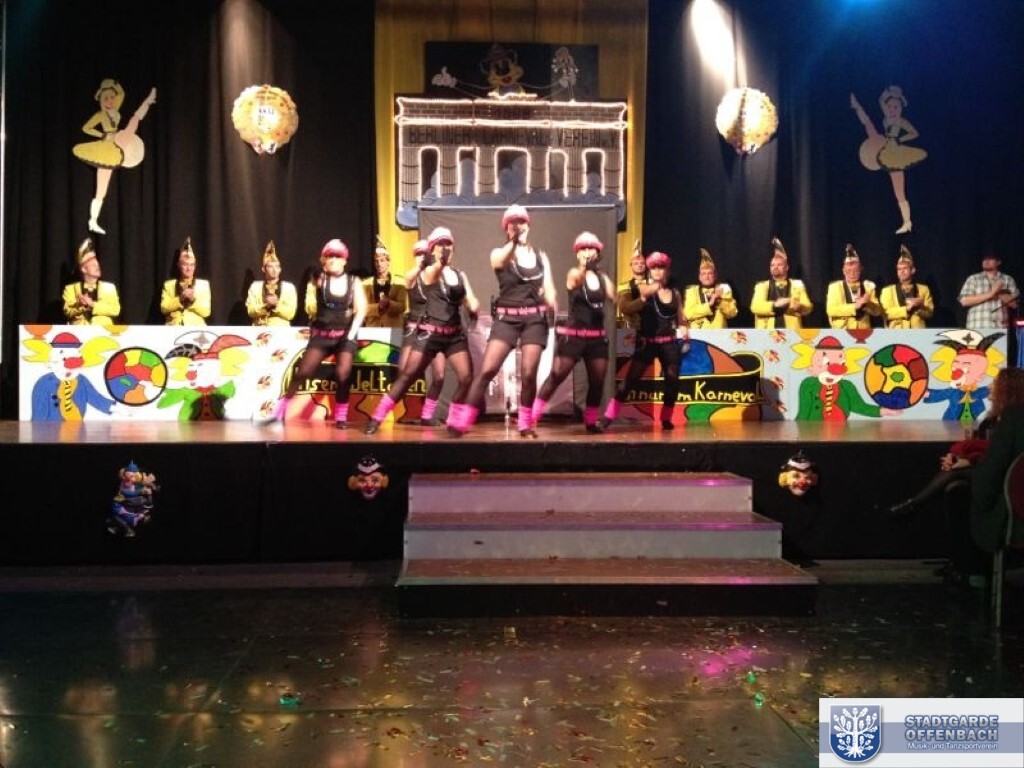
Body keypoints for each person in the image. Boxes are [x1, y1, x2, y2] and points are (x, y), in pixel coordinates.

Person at [364, 227, 480, 435]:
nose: (445, 248)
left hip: (453, 334)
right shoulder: (428, 272)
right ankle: (377, 417)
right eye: (440, 244)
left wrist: (473, 306)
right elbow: (423, 276)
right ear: (432, 249)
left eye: (448, 244)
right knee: (407, 375)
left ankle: (453, 421)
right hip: (430, 333)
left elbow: (468, 297)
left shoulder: (459, 274)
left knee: (466, 377)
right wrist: (436, 262)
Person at [455, 204, 557, 438]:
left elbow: (550, 287)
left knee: (529, 373)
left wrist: (551, 298)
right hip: (507, 318)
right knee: (488, 369)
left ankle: (525, 424)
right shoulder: (498, 253)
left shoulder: (541, 257)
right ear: (506, 228)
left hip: (534, 319)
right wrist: (514, 241)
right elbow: (500, 261)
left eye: (522, 222)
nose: (518, 226)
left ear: (528, 226)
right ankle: (463, 420)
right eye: (513, 223)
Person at [268, 239, 368, 427]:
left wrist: (351, 333)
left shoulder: (354, 282)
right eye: (329, 256)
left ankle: (341, 417)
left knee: (343, 373)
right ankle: (280, 410)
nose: (333, 260)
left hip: (345, 336)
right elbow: (314, 275)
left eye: (337, 256)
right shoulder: (320, 279)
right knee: (303, 372)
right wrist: (319, 270)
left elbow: (361, 309)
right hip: (323, 335)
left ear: (345, 260)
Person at [531, 231, 616, 434]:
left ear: (597, 253)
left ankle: (591, 422)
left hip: (596, 338)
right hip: (574, 336)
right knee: (556, 376)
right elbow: (575, 281)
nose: (587, 252)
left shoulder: (603, 278)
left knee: (597, 382)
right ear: (577, 253)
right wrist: (586, 267)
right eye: (583, 249)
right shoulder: (573, 273)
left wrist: (605, 281)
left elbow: (613, 297)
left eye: (591, 249)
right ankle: (531, 417)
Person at [599, 250, 689, 431]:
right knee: (630, 380)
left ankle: (666, 418)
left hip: (669, 342)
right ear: (649, 270)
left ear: (667, 270)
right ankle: (608, 417)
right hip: (647, 341)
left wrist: (685, 330)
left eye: (661, 267)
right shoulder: (643, 289)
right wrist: (652, 288)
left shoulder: (675, 293)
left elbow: (681, 318)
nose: (657, 271)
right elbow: (629, 305)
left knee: (673, 380)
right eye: (653, 268)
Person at [72, 79, 157, 234]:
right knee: (101, 189)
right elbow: (86, 128)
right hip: (107, 148)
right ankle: (93, 221)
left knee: (133, 122)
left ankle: (148, 101)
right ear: (101, 101)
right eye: (106, 98)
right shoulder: (100, 115)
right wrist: (102, 135)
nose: (110, 101)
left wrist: (114, 85)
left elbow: (121, 94)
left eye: (112, 98)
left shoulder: (115, 110)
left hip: (118, 140)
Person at [850, 86, 927, 234]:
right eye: (890, 106)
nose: (892, 109)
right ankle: (857, 107)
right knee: (870, 127)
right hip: (885, 146)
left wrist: (900, 138)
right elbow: (881, 102)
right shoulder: (887, 119)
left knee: (899, 191)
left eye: (895, 107)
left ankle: (907, 222)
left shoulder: (901, 122)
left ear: (901, 108)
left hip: (894, 154)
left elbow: (914, 133)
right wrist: (888, 92)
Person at [969, 367, 1024, 567]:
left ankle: (973, 571)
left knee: (958, 491)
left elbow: (991, 474)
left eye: (995, 383)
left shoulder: (1013, 418)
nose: (989, 387)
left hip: (1016, 517)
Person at [401, 238, 448, 425]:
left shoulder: (437, 277)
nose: (422, 257)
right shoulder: (411, 276)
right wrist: (421, 266)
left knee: (439, 375)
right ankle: (395, 412)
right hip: (413, 329)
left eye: (424, 254)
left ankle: (427, 415)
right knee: (404, 373)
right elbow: (409, 278)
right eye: (418, 254)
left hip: (431, 330)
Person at [749, 237, 813, 329]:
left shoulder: (797, 285)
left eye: (779, 265)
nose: (775, 267)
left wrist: (799, 307)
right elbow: (755, 307)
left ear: (786, 267)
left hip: (792, 332)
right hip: (767, 333)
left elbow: (808, 306)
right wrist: (775, 305)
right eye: (772, 265)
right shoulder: (761, 286)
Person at [62, 237, 121, 326]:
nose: (98, 267)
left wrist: (92, 304)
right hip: (79, 331)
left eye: (97, 264)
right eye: (93, 265)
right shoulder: (70, 289)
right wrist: (82, 305)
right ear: (84, 269)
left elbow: (115, 309)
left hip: (102, 331)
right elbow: (67, 311)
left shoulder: (109, 287)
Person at [826, 244, 881, 329]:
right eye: (849, 271)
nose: (852, 274)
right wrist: (854, 306)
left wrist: (867, 304)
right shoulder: (835, 287)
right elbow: (831, 310)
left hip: (864, 331)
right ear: (843, 271)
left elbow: (877, 312)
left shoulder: (868, 286)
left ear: (861, 269)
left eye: (856, 271)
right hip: (843, 330)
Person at [957, 254, 1019, 330]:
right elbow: (964, 301)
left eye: (990, 259)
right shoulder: (973, 278)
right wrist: (991, 293)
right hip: (978, 326)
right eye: (984, 259)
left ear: (998, 262)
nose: (986, 261)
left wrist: (998, 294)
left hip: (1000, 327)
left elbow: (1014, 304)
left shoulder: (1007, 279)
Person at [160, 237, 212, 326]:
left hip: (195, 328)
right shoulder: (169, 285)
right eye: (185, 264)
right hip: (173, 328)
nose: (189, 268)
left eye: (192, 265)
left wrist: (193, 300)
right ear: (179, 265)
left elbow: (206, 312)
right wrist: (180, 299)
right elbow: (164, 308)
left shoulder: (203, 285)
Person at [245, 240, 298, 326]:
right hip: (259, 329)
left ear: (280, 269)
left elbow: (291, 314)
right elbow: (250, 311)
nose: (274, 270)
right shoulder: (255, 287)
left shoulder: (289, 288)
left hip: (280, 330)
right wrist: (266, 306)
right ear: (263, 269)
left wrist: (276, 305)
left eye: (277, 266)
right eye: (270, 266)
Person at [880, 245, 934, 329]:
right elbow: (885, 313)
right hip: (896, 332)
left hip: (918, 332)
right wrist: (906, 309)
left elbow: (930, 314)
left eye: (905, 268)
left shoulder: (923, 289)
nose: (901, 272)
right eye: (899, 269)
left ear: (913, 270)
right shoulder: (887, 291)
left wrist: (919, 307)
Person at [682, 248, 737, 329]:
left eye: (710, 273)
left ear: (715, 275)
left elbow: (732, 313)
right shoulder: (691, 291)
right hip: (699, 334)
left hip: (720, 334)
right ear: (699, 277)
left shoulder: (723, 288)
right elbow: (688, 313)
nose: (707, 277)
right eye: (703, 274)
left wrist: (719, 301)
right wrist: (710, 304)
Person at [362, 236, 407, 329]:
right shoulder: (366, 284)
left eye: (382, 260)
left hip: (393, 329)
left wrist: (389, 304)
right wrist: (378, 307)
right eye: (376, 261)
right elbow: (361, 308)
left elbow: (402, 307)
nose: (379, 264)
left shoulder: (399, 282)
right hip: (372, 329)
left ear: (388, 262)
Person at [616, 241, 649, 329]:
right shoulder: (624, 285)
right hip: (633, 327)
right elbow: (625, 308)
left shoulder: (652, 284)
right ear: (631, 266)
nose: (639, 265)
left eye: (642, 263)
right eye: (636, 263)